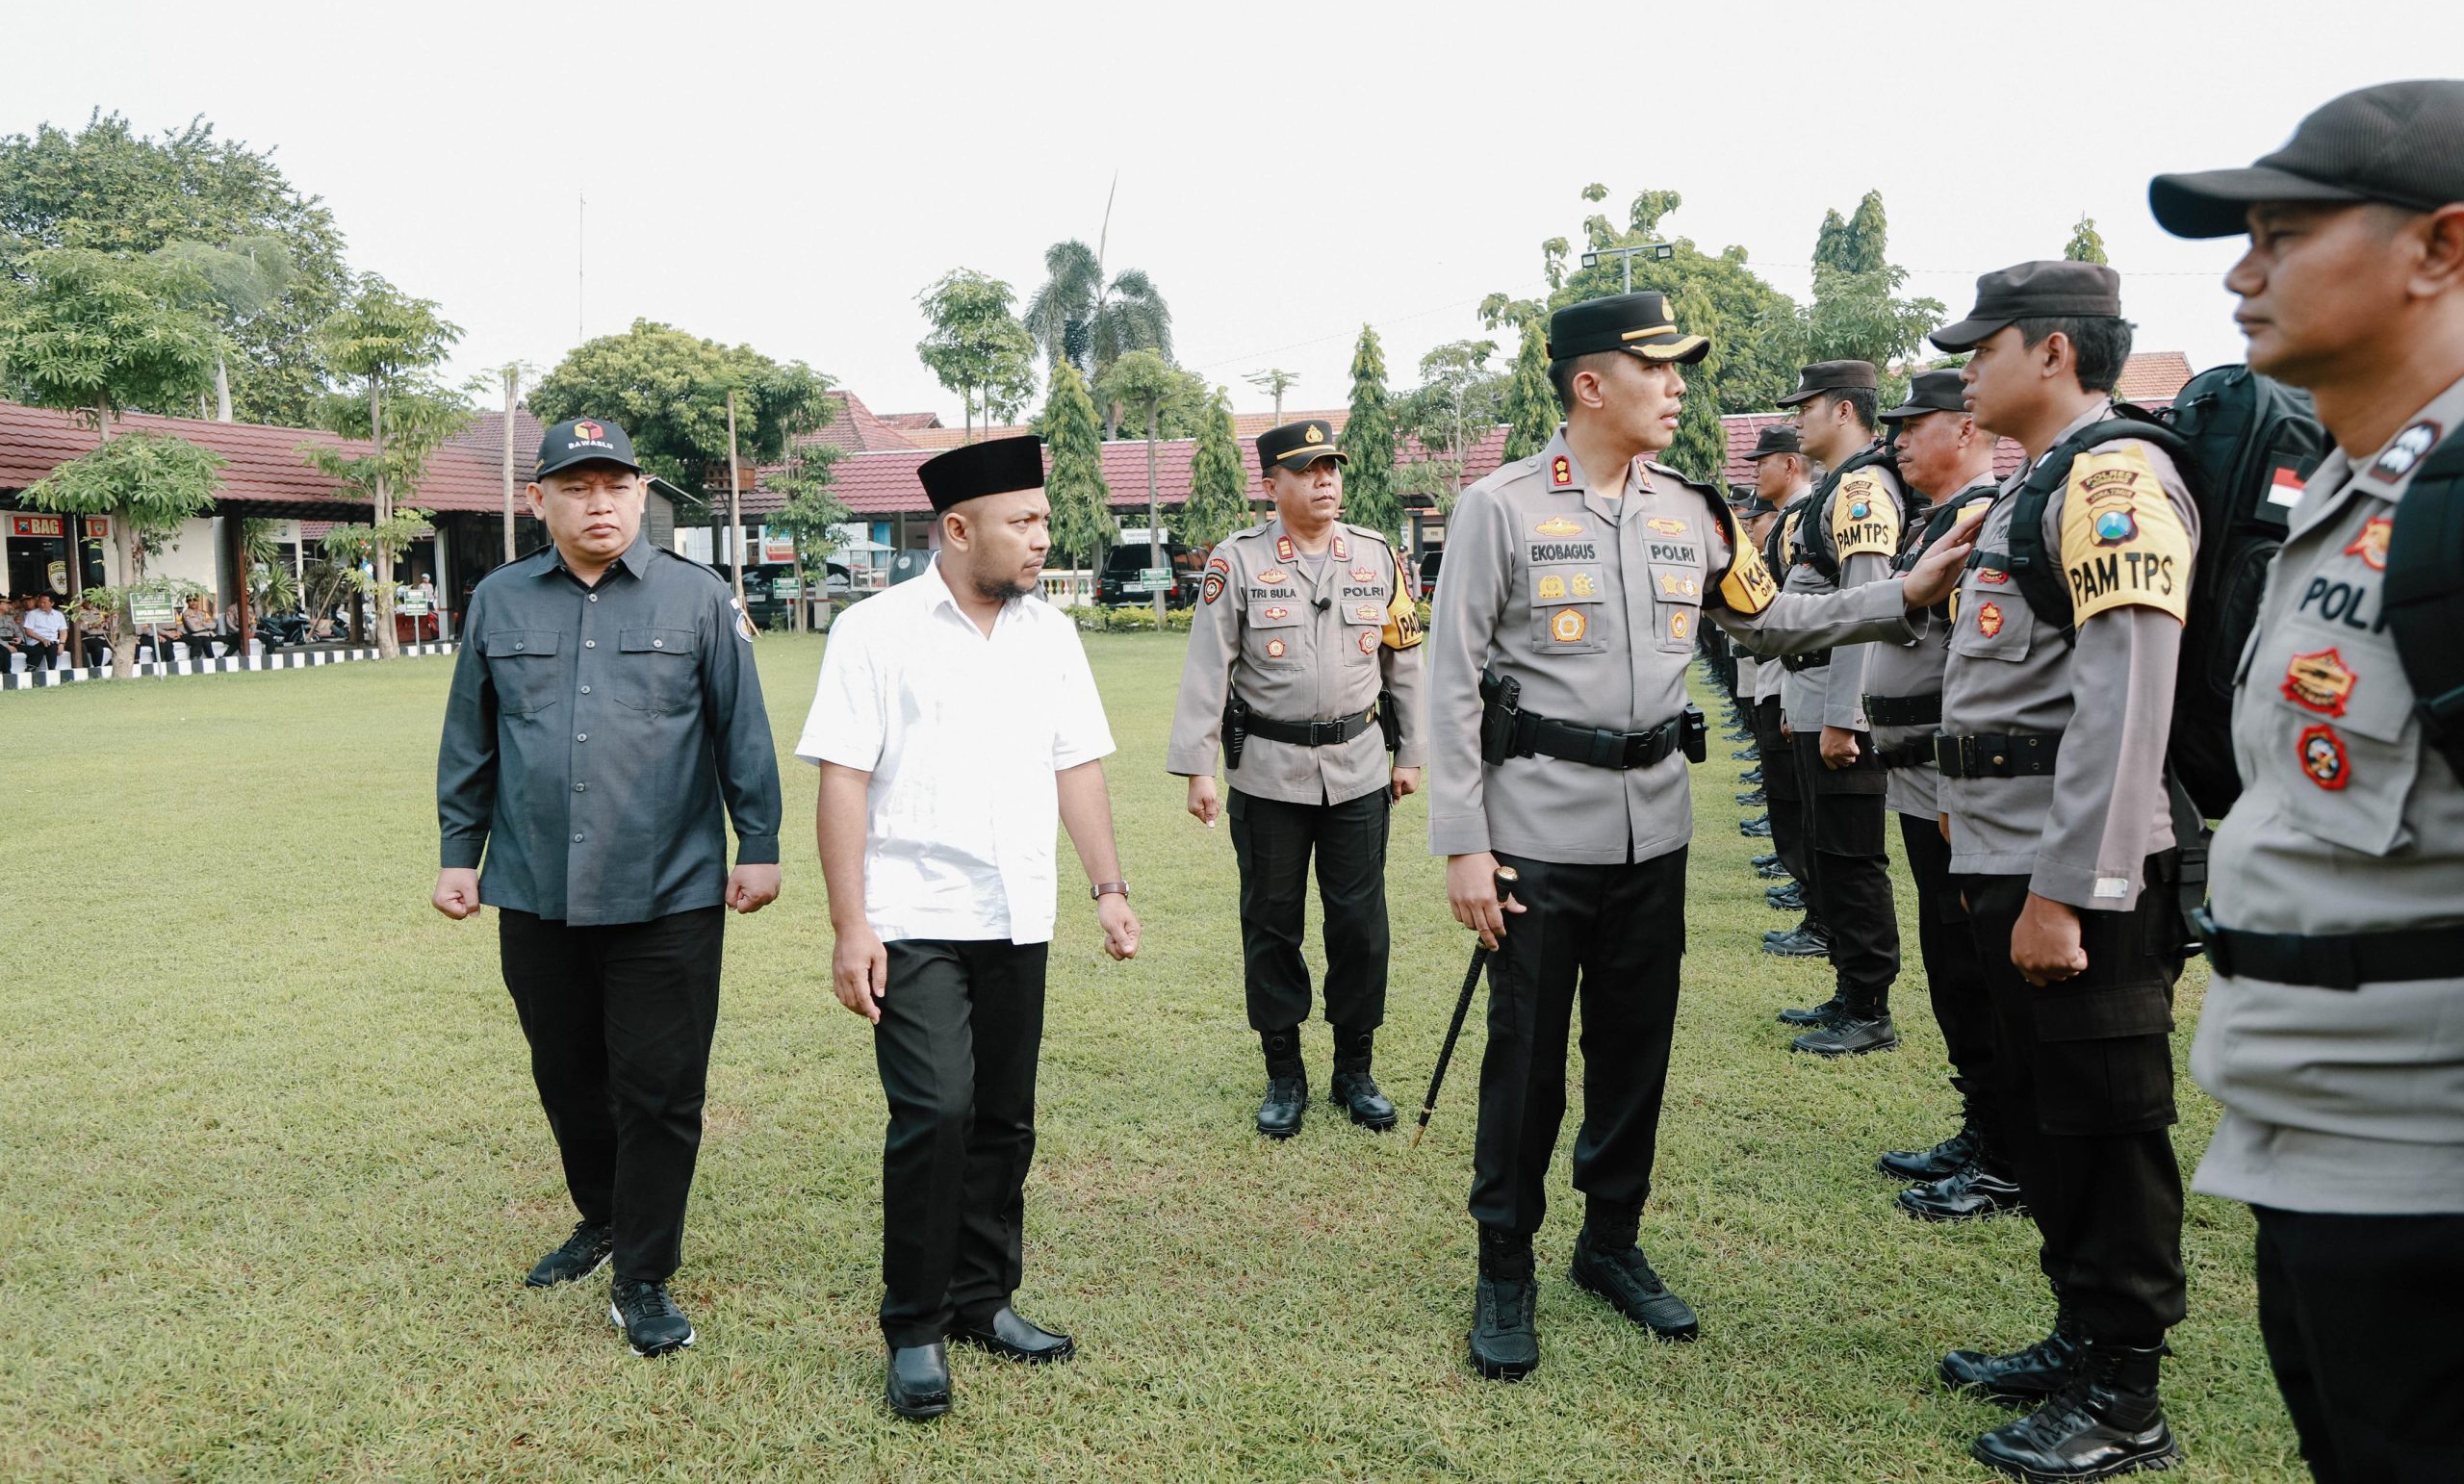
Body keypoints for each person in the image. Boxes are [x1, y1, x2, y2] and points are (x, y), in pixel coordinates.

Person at [1424, 291, 1974, 1381]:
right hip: (1535, 829)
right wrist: (1462, 845)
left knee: (1634, 1049)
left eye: (1681, 370)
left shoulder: (1693, 512)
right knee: (1526, 1060)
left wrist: (1902, 591)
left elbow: (1768, 621)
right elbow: (1447, 685)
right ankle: (1504, 1261)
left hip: (1653, 828)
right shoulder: (1499, 506)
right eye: (1657, 368)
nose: (1678, 388)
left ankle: (1609, 1241)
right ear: (1590, 382)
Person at [2152, 80, 2464, 1484]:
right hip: (2316, 1147)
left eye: (2282, 231)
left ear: (2440, 249)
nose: (2241, 271)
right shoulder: (2351, 489)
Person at [802, 433, 1142, 1421]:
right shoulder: (873, 630)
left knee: (1002, 1117)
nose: (1043, 538)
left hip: (1017, 913)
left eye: (1042, 520)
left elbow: (1075, 764)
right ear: (958, 529)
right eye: (1024, 522)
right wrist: (848, 922)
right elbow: (843, 776)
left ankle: (982, 1299)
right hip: (909, 918)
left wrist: (1107, 885)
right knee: (936, 1111)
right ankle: (912, 1325)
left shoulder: (1051, 634)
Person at [1923, 263, 2196, 1480]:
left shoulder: (2113, 477)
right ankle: (2079, 1335)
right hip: (2005, 850)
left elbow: (2124, 696)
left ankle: (2126, 1393)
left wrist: (2067, 890)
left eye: (1982, 346)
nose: (1965, 367)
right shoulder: (2039, 481)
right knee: (2051, 1120)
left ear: (2050, 352)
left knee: (2103, 1119)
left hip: (2080, 874)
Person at [432, 417, 783, 1359]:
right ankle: (602, 1216)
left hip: (667, 888)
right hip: (535, 885)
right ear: (539, 498)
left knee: (661, 1088)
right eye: (576, 486)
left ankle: (644, 1273)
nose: (598, 503)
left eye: (615, 486)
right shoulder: (500, 603)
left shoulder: (699, 598)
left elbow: (740, 728)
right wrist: (457, 850)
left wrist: (760, 839)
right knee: (568, 1074)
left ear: (640, 494)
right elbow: (471, 736)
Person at [1166, 419, 1426, 1137]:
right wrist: (1198, 768)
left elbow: (1404, 661)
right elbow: (1207, 667)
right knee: (1273, 927)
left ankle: (1355, 1069)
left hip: (1359, 769)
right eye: (1308, 471)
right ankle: (1284, 1073)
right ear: (1271, 485)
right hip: (1269, 775)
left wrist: (1411, 755)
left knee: (1360, 927)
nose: (1325, 482)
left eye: (1332, 468)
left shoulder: (1377, 557)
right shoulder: (1239, 561)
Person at [1861, 371, 2015, 1220]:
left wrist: (1956, 778)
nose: (1899, 441)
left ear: (1963, 429)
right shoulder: (1939, 520)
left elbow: (1976, 665)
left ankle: (2005, 1154)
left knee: (1973, 968)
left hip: (1952, 780)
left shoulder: (1981, 515)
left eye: (1914, 425)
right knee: (1954, 968)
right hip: (1921, 779)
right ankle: (1983, 1127)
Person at [1762, 361, 1908, 1056]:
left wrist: (1845, 716)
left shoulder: (1864, 488)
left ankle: (1870, 1006)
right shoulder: (1833, 490)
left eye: (1808, 406)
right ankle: (1850, 988)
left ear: (1845, 411)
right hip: (1814, 689)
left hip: (1840, 698)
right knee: (1828, 849)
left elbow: (1864, 610)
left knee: (1851, 855)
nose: (1799, 418)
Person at [1743, 426, 1821, 956]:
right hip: (1782, 669)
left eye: (1761, 463)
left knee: (1804, 801)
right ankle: (1804, 883)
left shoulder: (1803, 516)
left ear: (1789, 465)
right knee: (1788, 791)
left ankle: (1814, 900)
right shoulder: (1793, 519)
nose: (1755, 473)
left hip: (1801, 673)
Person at [20, 592, 67, 670]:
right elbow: (28, 631)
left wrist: (62, 644)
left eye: (44, 603)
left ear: (52, 603)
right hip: (36, 642)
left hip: (54, 641)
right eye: (40, 602)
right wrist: (43, 639)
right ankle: (52, 670)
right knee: (51, 645)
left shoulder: (59, 615)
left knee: (53, 644)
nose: (41, 604)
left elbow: (63, 631)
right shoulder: (32, 614)